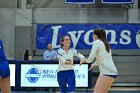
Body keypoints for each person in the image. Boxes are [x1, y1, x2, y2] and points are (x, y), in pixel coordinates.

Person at [80, 29, 118, 93]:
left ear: (95, 35)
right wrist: (93, 64)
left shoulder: (96, 42)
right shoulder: (105, 43)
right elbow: (103, 57)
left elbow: (90, 59)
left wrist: (84, 60)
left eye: (93, 35)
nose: (92, 36)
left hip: (106, 73)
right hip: (114, 72)